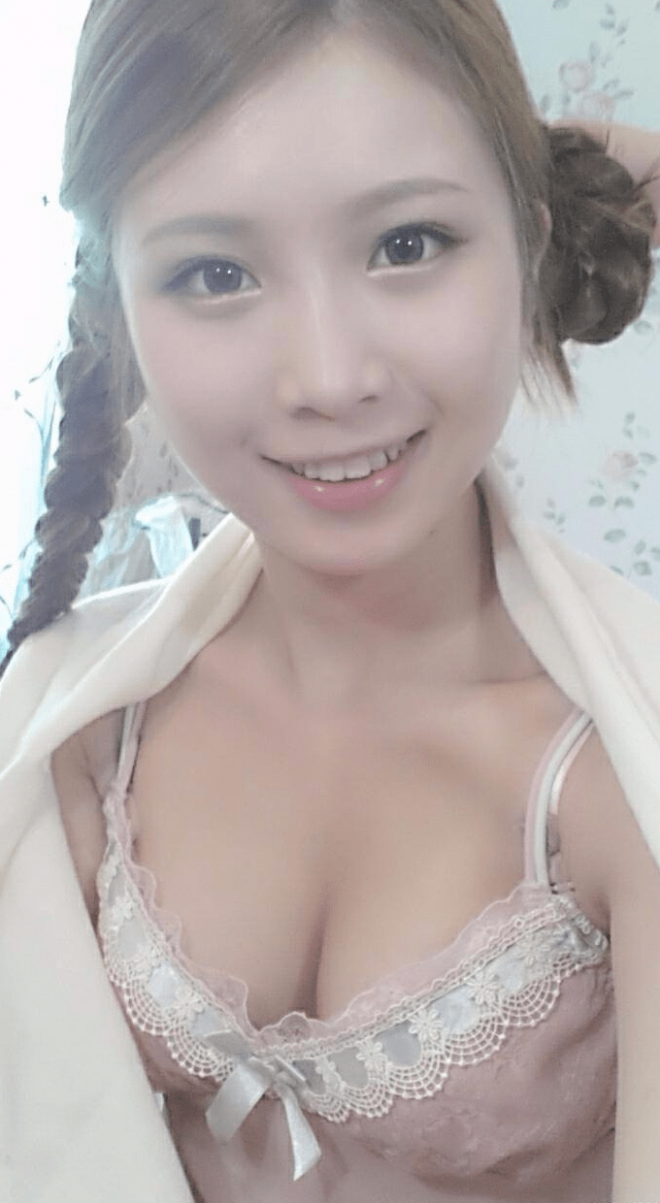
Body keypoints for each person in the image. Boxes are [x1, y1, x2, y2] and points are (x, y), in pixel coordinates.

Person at [0, 1, 659, 1200]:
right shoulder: (85, 728)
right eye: (214, 272)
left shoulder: (622, 773)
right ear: (117, 310)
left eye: (408, 243)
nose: (328, 377)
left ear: (528, 249)